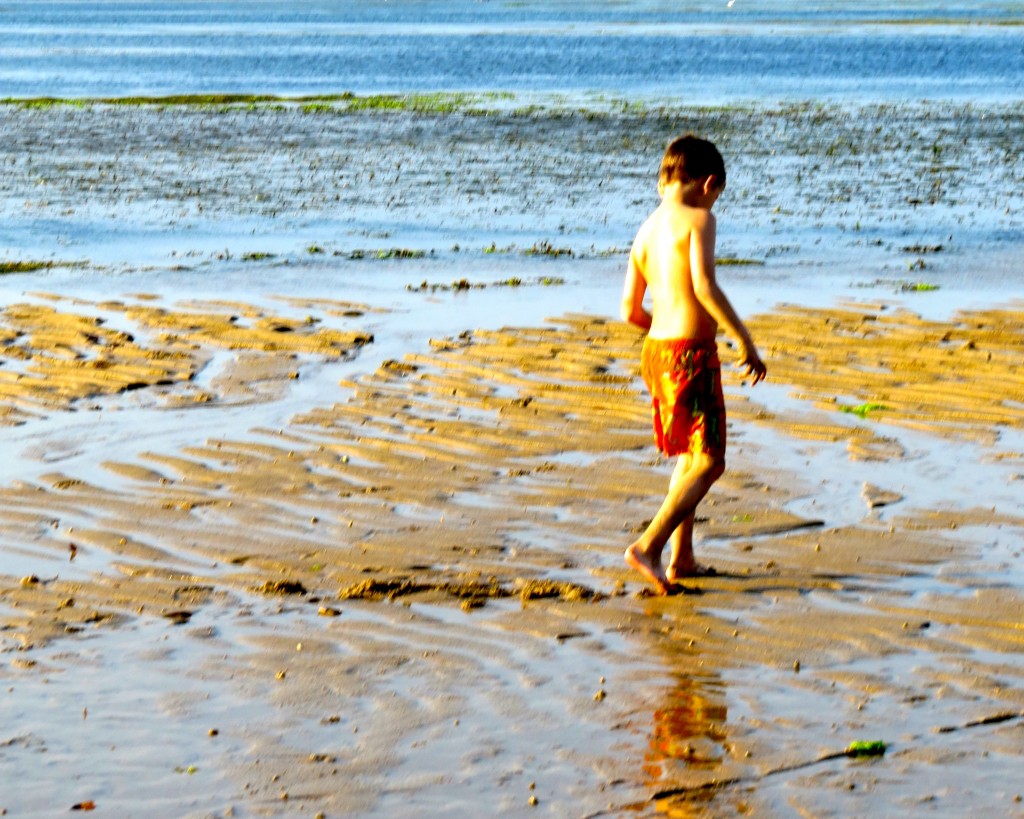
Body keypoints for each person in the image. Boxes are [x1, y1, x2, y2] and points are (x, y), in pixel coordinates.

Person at [620, 135, 766, 595]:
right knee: (710, 460)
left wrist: (662, 334)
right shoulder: (700, 219)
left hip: (656, 351)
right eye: (716, 193)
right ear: (709, 183)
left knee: (689, 451)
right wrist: (743, 340)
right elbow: (703, 286)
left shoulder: (645, 230)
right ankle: (649, 544)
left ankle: (683, 556)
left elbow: (630, 310)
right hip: (690, 353)